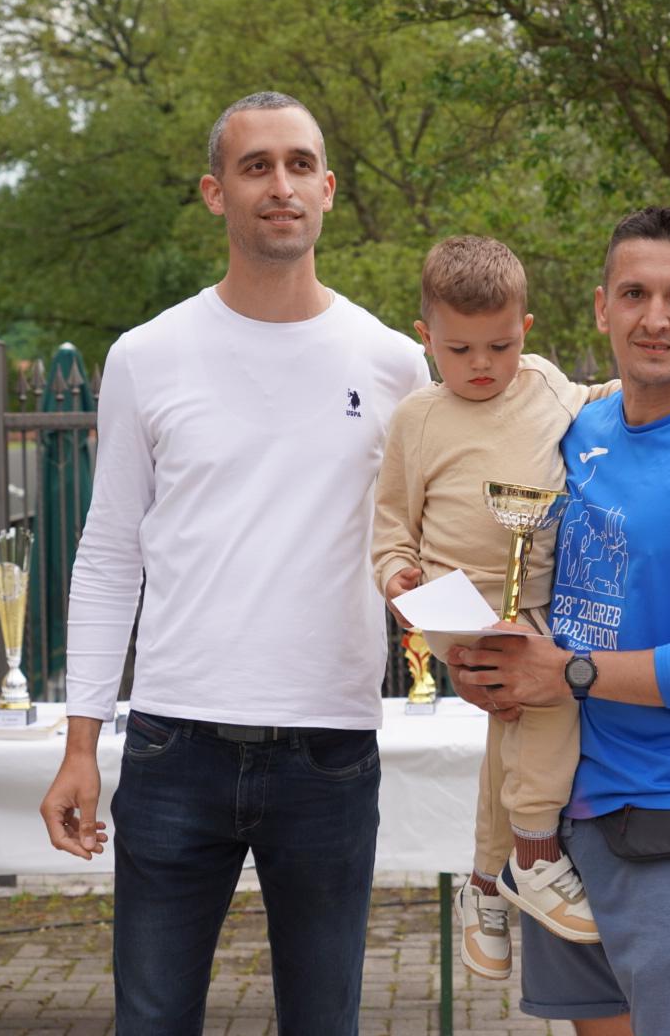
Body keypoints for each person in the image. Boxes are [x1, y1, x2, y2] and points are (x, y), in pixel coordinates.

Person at [38, 91, 428, 1034]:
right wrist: (81, 743)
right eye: (256, 167)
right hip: (175, 749)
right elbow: (107, 555)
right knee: (153, 1021)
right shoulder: (147, 355)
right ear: (216, 193)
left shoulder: (394, 363)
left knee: (324, 1022)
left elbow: (428, 547)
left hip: (330, 751)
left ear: (328, 189)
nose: (280, 185)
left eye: (299, 165)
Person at [447, 207, 670, 1035]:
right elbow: (525, 582)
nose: (655, 317)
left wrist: (566, 672)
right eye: (635, 293)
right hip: (559, 824)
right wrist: (488, 667)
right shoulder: (575, 430)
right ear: (602, 306)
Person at [372, 235, 619, 981]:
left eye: (501, 346)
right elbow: (387, 529)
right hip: (454, 615)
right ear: (425, 339)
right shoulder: (415, 420)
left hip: (538, 604)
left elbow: (607, 398)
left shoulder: (545, 384)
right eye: (459, 349)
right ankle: (536, 854)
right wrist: (398, 578)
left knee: (510, 733)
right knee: (551, 699)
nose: (482, 365)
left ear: (528, 331)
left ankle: (486, 882)